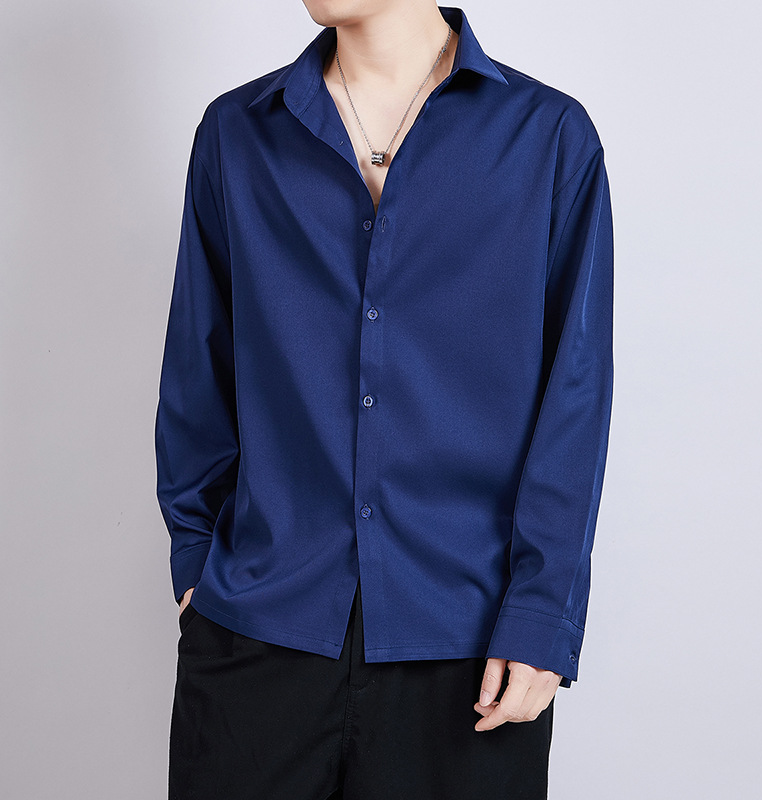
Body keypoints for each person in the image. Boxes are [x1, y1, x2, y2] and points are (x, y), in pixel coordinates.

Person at [155, 2, 614, 798]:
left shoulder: (547, 138)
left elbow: (574, 395)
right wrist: (197, 561)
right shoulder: (237, 133)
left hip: (469, 647)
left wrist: (544, 618)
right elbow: (199, 364)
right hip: (258, 627)